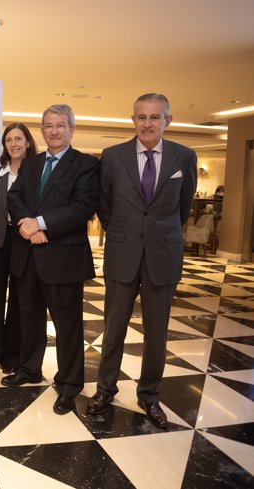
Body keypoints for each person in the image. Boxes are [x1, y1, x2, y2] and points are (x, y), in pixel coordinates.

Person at [87, 93, 197, 429]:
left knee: (156, 333)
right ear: (133, 119)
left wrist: (158, 233)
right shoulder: (113, 156)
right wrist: (123, 232)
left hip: (163, 257)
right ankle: (105, 388)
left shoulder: (184, 156)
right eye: (141, 117)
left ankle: (149, 395)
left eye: (154, 117)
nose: (147, 123)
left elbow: (184, 207)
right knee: (113, 328)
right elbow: (104, 205)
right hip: (123, 254)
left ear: (168, 120)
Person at [5, 104, 99, 415]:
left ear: (72, 129)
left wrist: (41, 223)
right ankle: (30, 368)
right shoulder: (32, 164)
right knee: (28, 320)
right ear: (42, 130)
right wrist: (28, 228)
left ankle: (70, 385)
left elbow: (82, 207)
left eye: (60, 125)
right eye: (48, 125)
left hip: (63, 259)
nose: (54, 131)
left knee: (67, 326)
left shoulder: (85, 165)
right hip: (28, 256)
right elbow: (14, 196)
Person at [0, 122, 38, 379]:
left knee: (19, 303)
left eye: (18, 139)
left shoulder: (37, 172)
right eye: (9, 140)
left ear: (28, 143)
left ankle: (11, 356)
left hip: (25, 241)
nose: (13, 144)